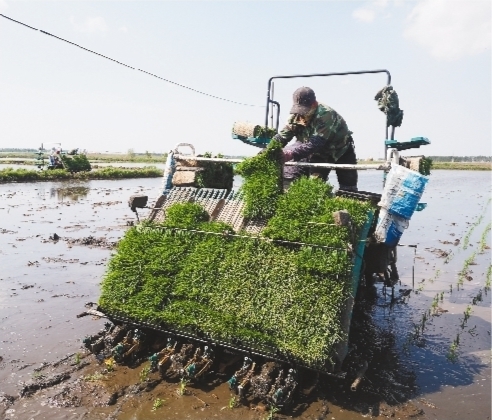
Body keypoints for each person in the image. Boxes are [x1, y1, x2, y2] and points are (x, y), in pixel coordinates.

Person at [273, 86, 358, 191]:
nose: (302, 114)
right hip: (320, 154)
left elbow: (316, 143)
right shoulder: (295, 117)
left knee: (349, 189)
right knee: (315, 186)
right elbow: (282, 137)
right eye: (299, 109)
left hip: (341, 151)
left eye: (305, 110)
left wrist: (291, 154)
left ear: (314, 104)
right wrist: (268, 151)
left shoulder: (326, 114)